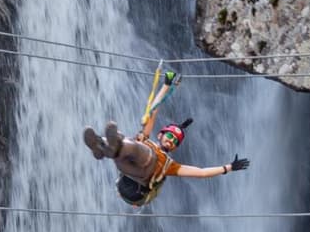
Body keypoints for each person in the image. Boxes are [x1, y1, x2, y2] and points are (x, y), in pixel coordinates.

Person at [83, 85, 250, 206]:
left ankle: (110, 144)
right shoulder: (145, 138)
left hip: (139, 187)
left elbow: (201, 173)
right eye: (170, 136)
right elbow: (154, 110)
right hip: (126, 175)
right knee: (127, 147)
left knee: (140, 150)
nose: (171, 140)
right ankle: (102, 145)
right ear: (160, 134)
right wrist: (166, 85)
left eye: (175, 141)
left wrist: (229, 167)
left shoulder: (170, 166)